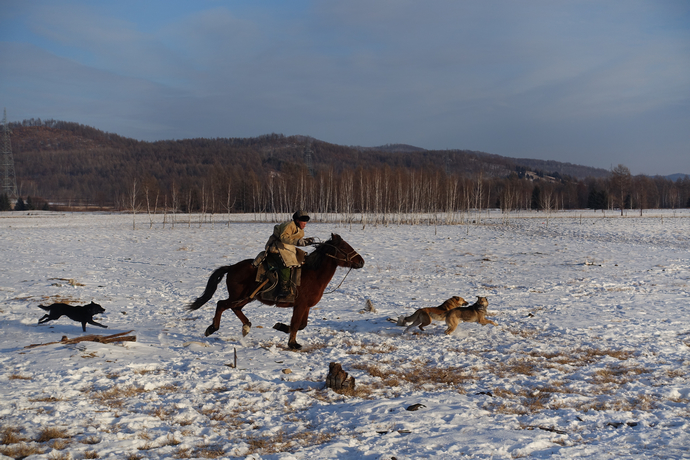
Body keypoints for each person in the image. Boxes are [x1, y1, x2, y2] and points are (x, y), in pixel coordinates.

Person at [264, 210, 315, 298]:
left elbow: (294, 241)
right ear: (297, 220)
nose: (305, 223)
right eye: (303, 220)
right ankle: (283, 289)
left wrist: (306, 241)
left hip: (287, 249)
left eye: (306, 221)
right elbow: (284, 238)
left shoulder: (300, 230)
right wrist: (299, 242)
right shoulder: (288, 225)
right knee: (286, 265)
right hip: (276, 248)